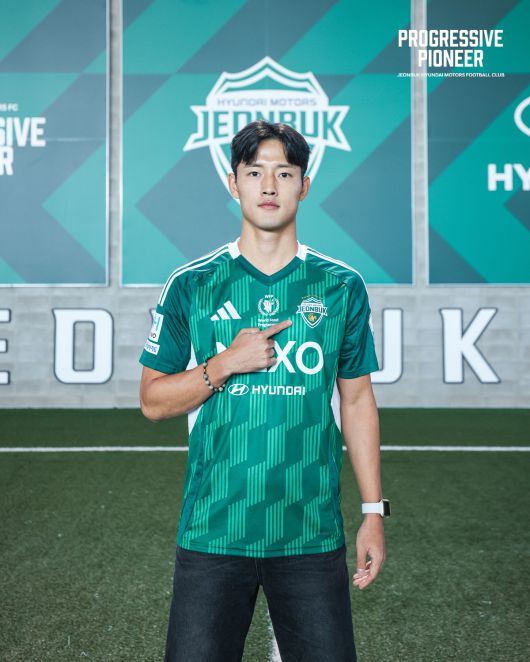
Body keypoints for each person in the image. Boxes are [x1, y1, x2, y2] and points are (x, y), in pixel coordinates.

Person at [139, 120, 389, 662]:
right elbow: (152, 401)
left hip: (310, 533)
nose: (269, 186)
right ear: (234, 184)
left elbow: (357, 399)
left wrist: (373, 511)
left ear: (304, 185)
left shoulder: (340, 285)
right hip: (213, 531)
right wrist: (225, 363)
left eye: (284, 173)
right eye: (254, 173)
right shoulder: (192, 284)